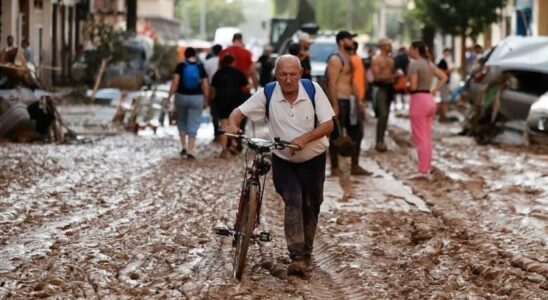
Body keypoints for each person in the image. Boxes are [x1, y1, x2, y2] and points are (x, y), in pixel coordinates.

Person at [226, 55, 334, 277]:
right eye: (283, 74)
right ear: (276, 75)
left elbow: (328, 124)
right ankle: (297, 257)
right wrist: (233, 123)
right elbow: (239, 111)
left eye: (293, 74)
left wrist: (304, 139)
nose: (288, 79)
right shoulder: (268, 92)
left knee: (312, 204)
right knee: (293, 199)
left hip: (314, 159)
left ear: (301, 73)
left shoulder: (313, 90)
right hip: (283, 161)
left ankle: (307, 252)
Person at [326, 31, 370, 176]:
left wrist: (359, 100)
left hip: (351, 101)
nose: (352, 42)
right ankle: (335, 167)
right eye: (349, 39)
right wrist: (335, 104)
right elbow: (331, 83)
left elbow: (352, 81)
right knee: (336, 136)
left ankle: (355, 165)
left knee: (357, 133)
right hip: (340, 99)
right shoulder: (335, 59)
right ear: (341, 42)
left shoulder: (349, 58)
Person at [407, 41, 447, 179]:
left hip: (418, 100)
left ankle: (422, 171)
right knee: (427, 136)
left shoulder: (415, 64)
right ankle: (426, 167)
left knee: (420, 137)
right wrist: (434, 90)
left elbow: (413, 86)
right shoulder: (429, 64)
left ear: (415, 49)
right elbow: (444, 77)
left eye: (410, 49)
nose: (409, 51)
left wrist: (404, 85)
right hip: (429, 99)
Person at [167, 47, 209, 159]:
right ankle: (191, 150)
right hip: (197, 97)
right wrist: (206, 100)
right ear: (194, 55)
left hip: (181, 97)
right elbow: (205, 85)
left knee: (181, 120)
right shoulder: (200, 67)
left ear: (185, 55)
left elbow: (175, 83)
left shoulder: (180, 66)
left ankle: (183, 147)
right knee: (194, 122)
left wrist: (169, 97)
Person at [210, 54, 250, 158]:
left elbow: (212, 89)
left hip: (221, 101)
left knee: (224, 124)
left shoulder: (218, 73)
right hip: (236, 100)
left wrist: (210, 100)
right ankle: (233, 144)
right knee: (234, 124)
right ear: (233, 62)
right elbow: (246, 87)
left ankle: (224, 149)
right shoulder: (238, 73)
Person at [371, 38, 399, 152]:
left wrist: (395, 79)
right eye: (388, 45)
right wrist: (393, 77)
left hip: (389, 88)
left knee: (386, 115)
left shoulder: (391, 60)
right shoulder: (376, 59)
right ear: (381, 46)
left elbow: (392, 75)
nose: (390, 47)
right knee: (382, 114)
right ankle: (379, 141)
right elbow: (377, 77)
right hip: (380, 88)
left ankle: (381, 140)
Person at [204, 44, 223, 138]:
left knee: (214, 110)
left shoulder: (207, 62)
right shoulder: (223, 61)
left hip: (212, 88)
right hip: (223, 88)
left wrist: (206, 95)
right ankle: (224, 130)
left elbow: (205, 79)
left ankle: (216, 130)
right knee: (224, 110)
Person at [437, 48, 453, 122]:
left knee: (445, 99)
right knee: (444, 100)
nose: (448, 54)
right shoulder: (442, 61)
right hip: (444, 83)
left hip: (445, 82)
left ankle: (443, 115)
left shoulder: (446, 61)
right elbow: (440, 71)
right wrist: (449, 71)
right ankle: (442, 116)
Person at [393, 47, 409, 111]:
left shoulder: (395, 58)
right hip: (403, 77)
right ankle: (403, 105)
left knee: (395, 92)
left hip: (396, 77)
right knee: (403, 92)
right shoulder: (406, 58)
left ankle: (395, 105)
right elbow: (408, 67)